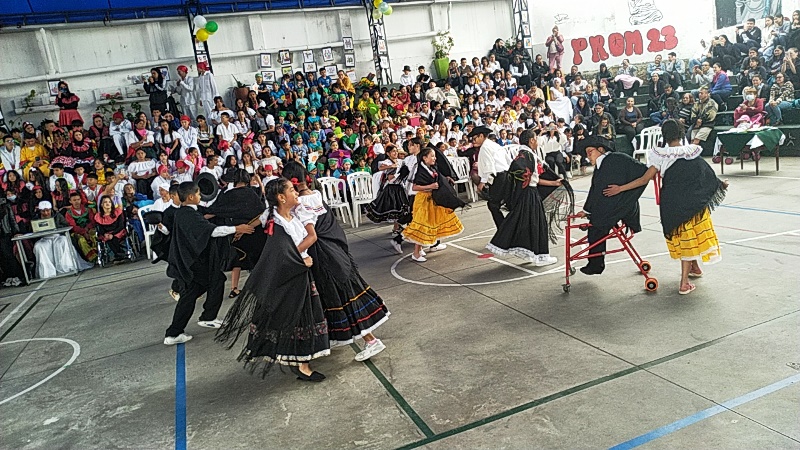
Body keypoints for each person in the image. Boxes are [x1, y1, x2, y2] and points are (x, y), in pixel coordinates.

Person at [216, 178, 329, 381]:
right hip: (291, 275)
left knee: (299, 319)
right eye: (292, 190)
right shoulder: (277, 224)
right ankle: (301, 364)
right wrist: (303, 262)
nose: (296, 193)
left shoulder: (289, 217)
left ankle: (300, 361)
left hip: (298, 272)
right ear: (281, 197)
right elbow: (281, 254)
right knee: (296, 318)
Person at [603, 119, 727, 294]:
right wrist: (721, 184)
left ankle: (694, 268)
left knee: (684, 238)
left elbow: (644, 180)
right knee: (690, 238)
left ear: (664, 135)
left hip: (672, 202)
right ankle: (684, 283)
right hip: (692, 202)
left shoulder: (661, 155)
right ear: (681, 133)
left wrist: (620, 188)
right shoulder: (690, 151)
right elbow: (706, 174)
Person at [284, 162, 390, 360]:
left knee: (341, 297)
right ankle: (340, 337)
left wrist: (291, 253)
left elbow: (311, 235)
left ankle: (371, 340)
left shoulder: (301, 205)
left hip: (323, 257)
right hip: (334, 252)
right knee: (340, 295)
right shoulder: (316, 195)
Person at [164, 181, 255, 345]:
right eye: (198, 194)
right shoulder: (187, 215)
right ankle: (188, 326)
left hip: (194, 261)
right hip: (192, 262)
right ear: (191, 196)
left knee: (203, 288)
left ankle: (190, 325)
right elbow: (211, 231)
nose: (200, 197)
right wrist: (237, 228)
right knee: (205, 287)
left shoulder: (187, 212)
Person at [487, 128, 570, 266]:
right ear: (531, 140)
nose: (537, 141)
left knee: (527, 223)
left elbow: (531, 177)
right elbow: (528, 176)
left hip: (525, 193)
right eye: (536, 138)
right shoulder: (528, 155)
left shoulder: (523, 154)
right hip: (529, 194)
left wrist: (553, 182)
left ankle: (529, 252)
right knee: (539, 224)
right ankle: (542, 256)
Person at [576, 136, 648, 275]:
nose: (588, 156)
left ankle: (596, 264)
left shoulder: (617, 158)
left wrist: (622, 188)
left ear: (601, 149)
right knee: (595, 224)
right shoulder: (600, 166)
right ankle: (595, 263)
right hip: (611, 206)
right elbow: (595, 191)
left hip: (623, 206)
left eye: (590, 151)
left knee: (597, 225)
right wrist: (586, 210)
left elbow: (645, 173)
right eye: (586, 153)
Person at [206, 169, 267, 299]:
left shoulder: (228, 194)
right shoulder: (252, 193)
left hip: (235, 233)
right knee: (257, 260)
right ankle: (260, 286)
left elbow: (215, 211)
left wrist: (200, 218)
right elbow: (261, 214)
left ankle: (234, 288)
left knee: (237, 260)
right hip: (254, 232)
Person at [402, 146, 464, 262]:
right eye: (432, 156)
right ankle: (416, 253)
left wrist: (446, 179)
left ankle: (425, 247)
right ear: (424, 158)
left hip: (431, 200)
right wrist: (430, 186)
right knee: (422, 225)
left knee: (431, 223)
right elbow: (414, 187)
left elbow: (437, 178)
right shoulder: (420, 170)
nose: (435, 158)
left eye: (435, 156)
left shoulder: (430, 168)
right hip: (423, 200)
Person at [472, 126, 511, 227]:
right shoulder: (494, 145)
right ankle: (506, 228)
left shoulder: (485, 147)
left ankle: (503, 229)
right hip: (506, 175)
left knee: (493, 205)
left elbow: (489, 168)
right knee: (505, 204)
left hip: (499, 177)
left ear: (481, 136)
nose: (473, 141)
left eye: (474, 138)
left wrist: (481, 183)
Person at [33, 200, 80, 279]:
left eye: (47, 210)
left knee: (63, 242)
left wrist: (56, 227)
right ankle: (47, 272)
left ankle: (66, 267)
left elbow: (66, 225)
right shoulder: (36, 218)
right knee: (39, 246)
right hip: (44, 238)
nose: (46, 213)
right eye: (43, 211)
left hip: (57, 236)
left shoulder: (57, 215)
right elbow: (32, 230)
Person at [64, 192, 97, 264]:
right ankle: (92, 258)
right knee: (81, 240)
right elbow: (73, 226)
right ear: (70, 201)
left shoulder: (87, 209)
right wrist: (83, 232)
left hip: (89, 229)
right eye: (74, 200)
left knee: (94, 235)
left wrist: (88, 229)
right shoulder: (69, 213)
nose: (77, 202)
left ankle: (98, 254)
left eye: (78, 199)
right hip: (77, 232)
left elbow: (92, 221)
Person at [0, 197, 24, 287]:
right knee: (2, 257)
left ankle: (17, 275)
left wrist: (16, 232)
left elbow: (12, 219)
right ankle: (8, 276)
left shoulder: (5, 204)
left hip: (5, 233)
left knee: (8, 255)